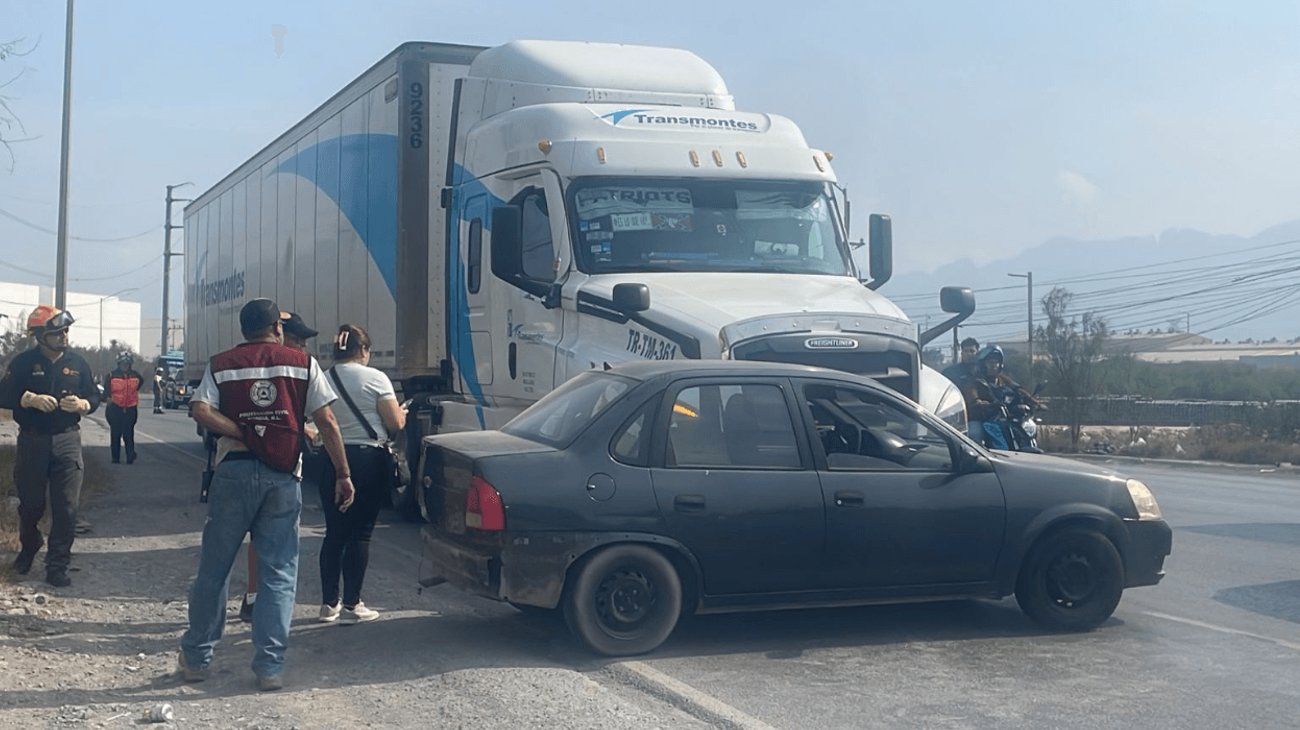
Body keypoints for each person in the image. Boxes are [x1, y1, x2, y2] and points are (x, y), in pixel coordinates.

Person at [178, 298, 353, 692]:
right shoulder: (301, 363)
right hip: (281, 477)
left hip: (233, 474)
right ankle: (269, 667)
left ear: (243, 329)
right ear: (277, 327)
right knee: (278, 572)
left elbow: (200, 409)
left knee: (214, 568)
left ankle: (195, 659)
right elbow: (326, 419)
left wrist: (241, 431)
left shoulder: (221, 363)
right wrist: (342, 472)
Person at [0, 305, 99, 587]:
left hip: (67, 440)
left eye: (66, 330)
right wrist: (26, 398)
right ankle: (30, 544)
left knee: (67, 507)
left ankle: (57, 565)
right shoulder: (22, 363)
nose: (64, 335)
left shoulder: (78, 363)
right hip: (33, 440)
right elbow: (3, 394)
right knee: (31, 505)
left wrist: (85, 404)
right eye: (57, 332)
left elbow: (94, 394)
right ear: (40, 336)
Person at [317, 324, 405, 625]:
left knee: (334, 532)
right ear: (364, 350)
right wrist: (403, 412)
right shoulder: (376, 378)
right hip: (368, 459)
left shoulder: (323, 379)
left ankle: (329, 604)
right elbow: (395, 422)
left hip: (332, 457)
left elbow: (314, 422)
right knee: (361, 532)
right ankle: (353, 604)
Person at [237, 311, 320, 623]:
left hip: (253, 466)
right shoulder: (293, 368)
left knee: (258, 537)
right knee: (279, 543)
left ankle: (254, 598)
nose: (303, 348)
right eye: (299, 340)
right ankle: (269, 611)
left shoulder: (265, 366)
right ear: (280, 334)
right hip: (274, 468)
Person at [963, 345, 1039, 449]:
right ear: (983, 365)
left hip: (1002, 418)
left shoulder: (1001, 378)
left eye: (996, 362)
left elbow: (1017, 388)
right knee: (975, 434)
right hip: (980, 418)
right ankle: (974, 461)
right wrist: (979, 402)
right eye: (990, 362)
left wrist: (1034, 401)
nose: (994, 365)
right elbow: (971, 395)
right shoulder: (974, 381)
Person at [104, 351, 145, 464]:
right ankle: (115, 458)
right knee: (115, 433)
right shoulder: (111, 375)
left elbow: (140, 383)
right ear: (119, 363)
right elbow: (106, 391)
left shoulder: (136, 375)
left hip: (131, 408)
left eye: (127, 364)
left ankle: (130, 455)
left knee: (128, 433)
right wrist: (108, 399)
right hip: (115, 408)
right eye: (123, 364)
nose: (125, 366)